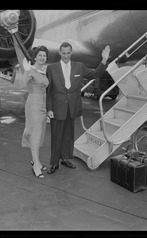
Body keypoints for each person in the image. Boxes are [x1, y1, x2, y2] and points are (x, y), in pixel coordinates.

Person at [46, 42, 110, 174]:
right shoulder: (51, 68)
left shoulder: (79, 66)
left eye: (68, 53)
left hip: (72, 107)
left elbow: (95, 74)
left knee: (68, 135)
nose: (66, 55)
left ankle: (65, 158)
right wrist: (49, 109)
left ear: (71, 53)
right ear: (59, 52)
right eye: (63, 53)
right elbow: (49, 91)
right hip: (57, 107)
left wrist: (104, 60)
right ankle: (54, 163)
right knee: (56, 136)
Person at [21, 45, 49, 179]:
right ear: (35, 57)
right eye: (40, 55)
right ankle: (36, 165)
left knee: (40, 134)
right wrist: (27, 71)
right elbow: (21, 84)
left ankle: (36, 160)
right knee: (35, 135)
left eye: (44, 55)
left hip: (43, 106)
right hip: (33, 106)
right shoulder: (31, 70)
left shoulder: (43, 71)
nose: (42, 58)